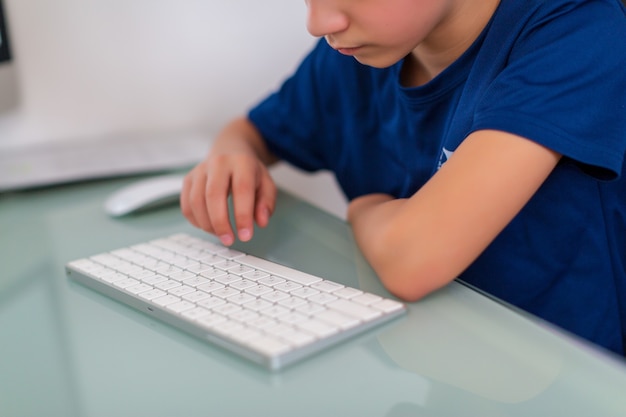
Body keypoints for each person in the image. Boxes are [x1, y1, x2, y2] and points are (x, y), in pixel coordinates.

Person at [180, 0, 626, 356]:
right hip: (427, 362)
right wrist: (231, 155)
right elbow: (252, 132)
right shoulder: (349, 55)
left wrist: (363, 210)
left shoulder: (577, 30)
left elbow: (413, 261)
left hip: (571, 377)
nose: (318, 21)